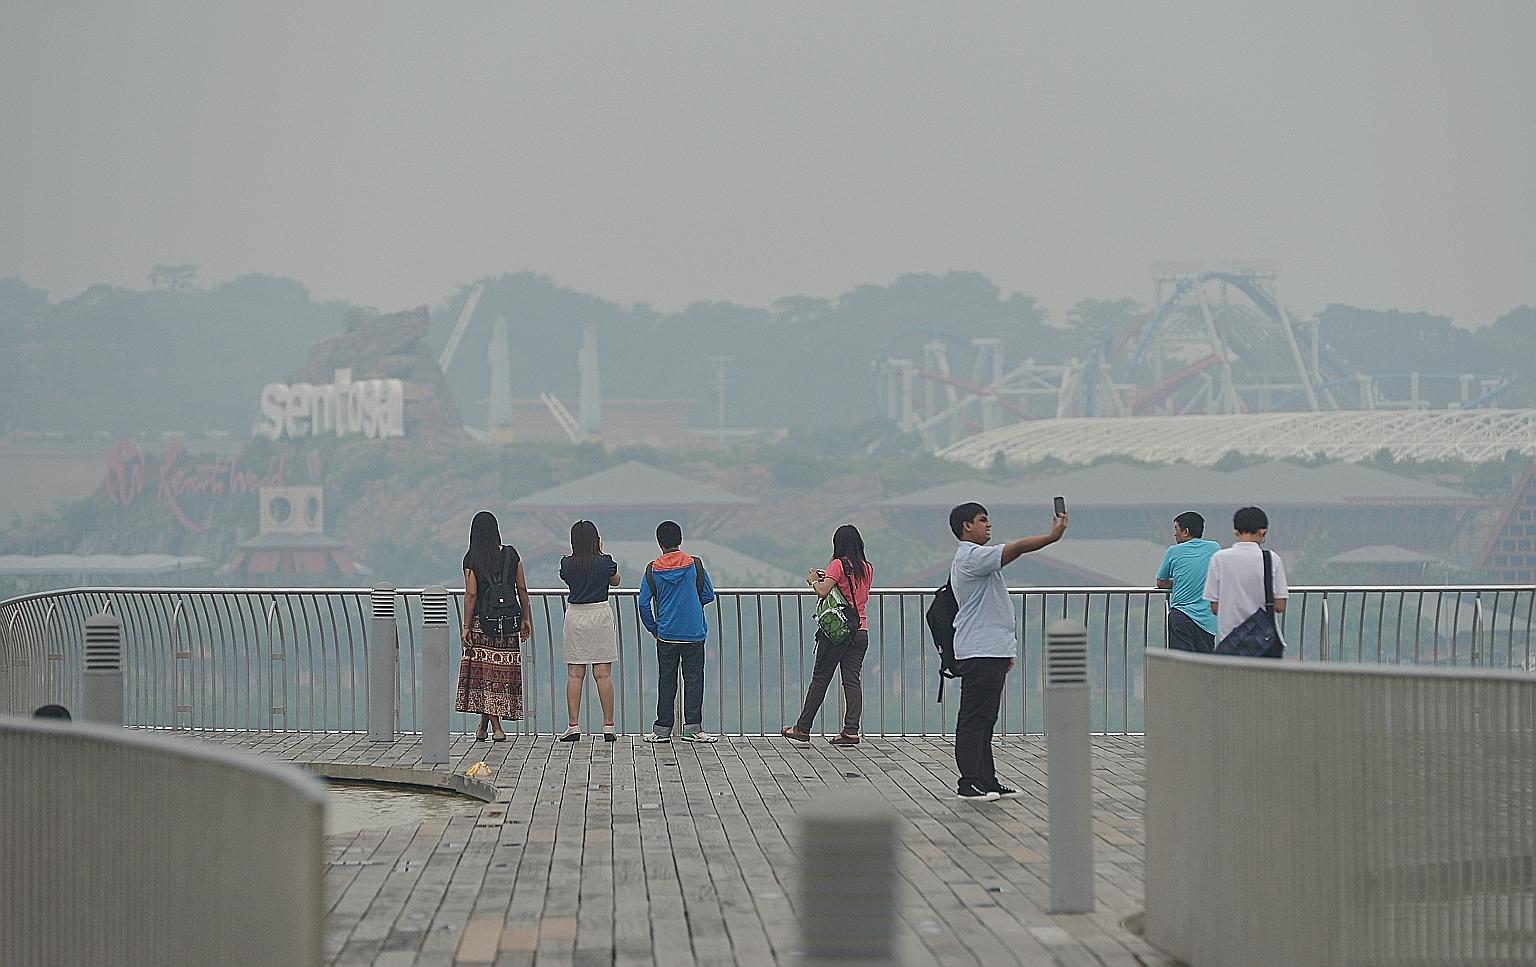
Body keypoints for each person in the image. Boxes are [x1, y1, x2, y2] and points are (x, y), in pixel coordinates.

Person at [948, 501, 1068, 802]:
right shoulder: (971, 556)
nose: (988, 525)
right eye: (982, 520)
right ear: (967, 526)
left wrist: (1006, 650)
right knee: (974, 718)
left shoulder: (976, 558)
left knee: (986, 717)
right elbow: (1016, 549)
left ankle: (987, 779)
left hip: (991, 649)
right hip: (980, 650)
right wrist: (1051, 537)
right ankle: (969, 782)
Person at [782, 524, 874, 746]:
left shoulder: (837, 564)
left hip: (837, 633)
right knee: (852, 681)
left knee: (820, 679)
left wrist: (814, 579)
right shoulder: (866, 567)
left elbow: (823, 591)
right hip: (860, 630)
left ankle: (803, 728)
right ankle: (851, 730)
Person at [637, 520, 717, 743]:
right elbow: (708, 595)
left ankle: (662, 729)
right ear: (680, 540)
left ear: (659, 542)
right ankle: (693, 728)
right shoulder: (695, 565)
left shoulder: (652, 570)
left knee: (666, 680)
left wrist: (654, 628)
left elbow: (643, 604)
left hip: (666, 634)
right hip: (693, 633)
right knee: (693, 680)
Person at [456, 510, 530, 742]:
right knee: (499, 676)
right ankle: (483, 726)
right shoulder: (511, 554)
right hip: (508, 624)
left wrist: (466, 625)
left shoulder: (472, 558)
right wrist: (526, 618)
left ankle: (496, 728)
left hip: (483, 624)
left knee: (486, 676)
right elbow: (522, 589)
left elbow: (471, 594)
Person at [558, 519, 621, 742]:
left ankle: (574, 726)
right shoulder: (605, 563)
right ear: (596, 540)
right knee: (603, 674)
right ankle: (608, 726)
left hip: (575, 615)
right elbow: (616, 581)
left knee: (575, 674)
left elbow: (566, 578)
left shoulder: (567, 563)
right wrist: (601, 553)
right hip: (600, 613)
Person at [1204, 506, 1289, 649]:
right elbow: (1280, 606)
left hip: (1230, 640)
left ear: (1235, 531)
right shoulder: (1271, 559)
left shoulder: (1219, 559)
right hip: (1264, 641)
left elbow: (1215, 607)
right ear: (1263, 532)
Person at [1155, 511, 1221, 653]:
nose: (1175, 534)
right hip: (1207, 619)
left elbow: (1161, 582)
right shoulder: (1214, 548)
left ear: (1186, 532)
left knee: (1182, 666)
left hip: (1181, 615)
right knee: (1204, 667)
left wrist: (1177, 583)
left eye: (1176, 529)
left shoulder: (1173, 551)